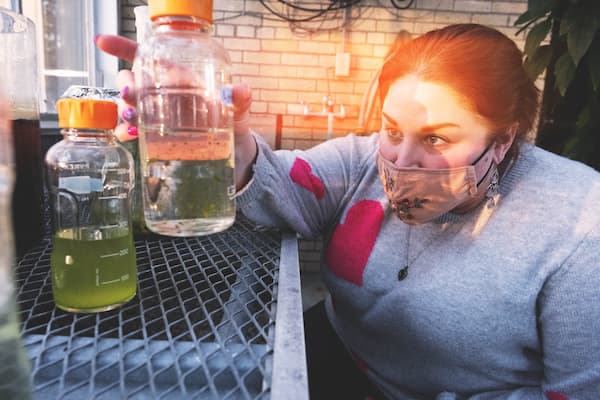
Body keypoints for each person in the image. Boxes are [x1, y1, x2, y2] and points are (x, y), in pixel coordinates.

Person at [97, 23, 600, 400]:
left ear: (504, 136)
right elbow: (284, 186)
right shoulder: (362, 161)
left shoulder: (578, 224)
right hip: (334, 358)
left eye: (436, 139)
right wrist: (225, 136)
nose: (400, 163)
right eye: (392, 129)